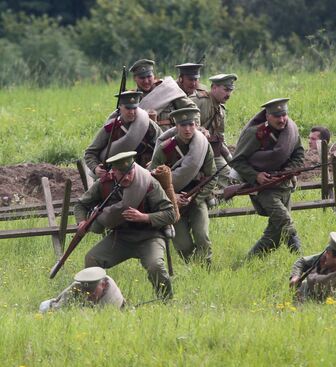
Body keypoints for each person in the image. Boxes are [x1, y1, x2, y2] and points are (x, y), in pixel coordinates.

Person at [76, 151, 176, 300]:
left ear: (134, 168)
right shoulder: (104, 184)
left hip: (150, 236)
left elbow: (171, 214)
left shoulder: (149, 183)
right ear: (114, 171)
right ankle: (94, 300)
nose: (128, 177)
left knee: (155, 266)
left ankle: (166, 301)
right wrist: (82, 221)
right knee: (92, 259)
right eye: (122, 173)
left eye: (130, 172)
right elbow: (81, 204)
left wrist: (144, 217)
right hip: (121, 237)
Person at [230, 98, 305, 258]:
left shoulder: (291, 131)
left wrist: (287, 171)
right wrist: (256, 175)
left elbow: (299, 154)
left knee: (275, 235)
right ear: (268, 116)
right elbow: (237, 161)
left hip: (285, 185)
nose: (282, 119)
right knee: (284, 221)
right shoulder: (255, 134)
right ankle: (302, 260)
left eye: (284, 115)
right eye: (277, 116)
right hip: (263, 189)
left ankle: (249, 263)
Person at [150, 108, 216, 265]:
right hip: (172, 201)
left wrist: (196, 197)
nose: (188, 129)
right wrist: (173, 198)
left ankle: (206, 268)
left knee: (202, 236)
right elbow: (153, 182)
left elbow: (212, 177)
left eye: (191, 124)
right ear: (176, 126)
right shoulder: (165, 149)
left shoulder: (204, 147)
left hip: (197, 198)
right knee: (183, 244)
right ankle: (193, 268)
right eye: (183, 125)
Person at [84, 91, 162, 179]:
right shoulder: (111, 128)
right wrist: (95, 168)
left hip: (147, 173)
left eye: (134, 108)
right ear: (120, 107)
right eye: (128, 108)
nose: (132, 112)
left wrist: (155, 161)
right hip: (119, 176)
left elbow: (162, 144)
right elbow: (90, 153)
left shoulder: (148, 125)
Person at [191, 73, 238, 190]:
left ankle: (218, 201)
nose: (228, 94)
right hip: (192, 151)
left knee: (231, 178)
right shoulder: (199, 100)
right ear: (214, 88)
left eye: (230, 91)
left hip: (212, 151)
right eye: (225, 90)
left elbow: (220, 137)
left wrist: (230, 159)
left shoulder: (221, 109)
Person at [130, 59, 196, 131]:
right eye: (142, 78)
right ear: (135, 78)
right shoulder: (131, 97)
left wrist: (194, 130)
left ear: (154, 76)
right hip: (142, 138)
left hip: (169, 137)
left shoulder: (167, 88)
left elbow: (192, 108)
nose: (146, 81)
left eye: (149, 77)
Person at [39, 267, 125, 312]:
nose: (89, 295)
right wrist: (52, 306)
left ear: (103, 285)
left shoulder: (111, 299)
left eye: (93, 293)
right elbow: (62, 301)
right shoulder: (82, 285)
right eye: (87, 293)